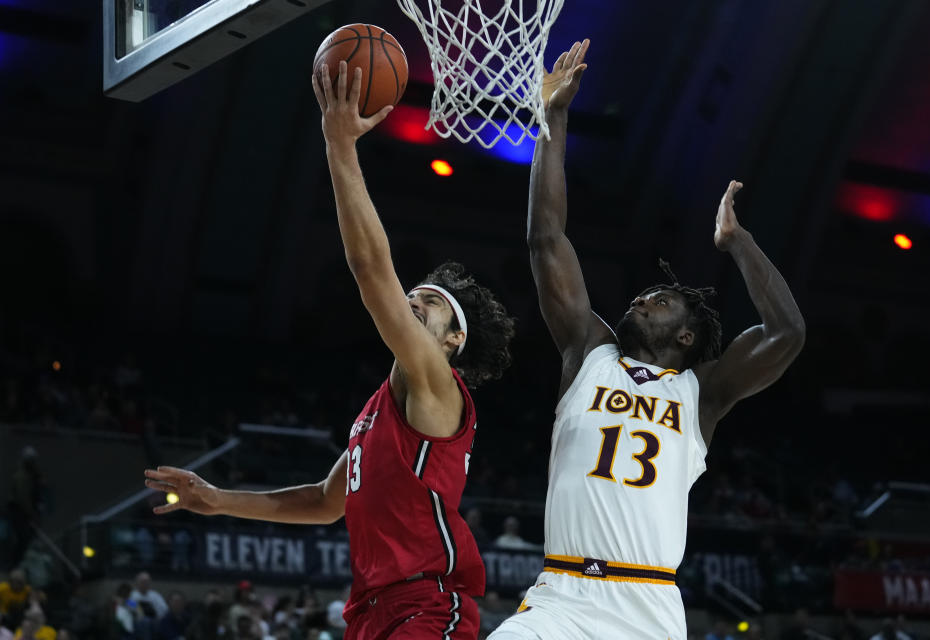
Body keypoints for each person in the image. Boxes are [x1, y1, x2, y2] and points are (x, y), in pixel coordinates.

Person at [145, 60, 515, 640]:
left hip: (426, 602)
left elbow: (371, 269)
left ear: (453, 341)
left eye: (431, 303)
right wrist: (219, 500)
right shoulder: (376, 412)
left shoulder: (438, 383)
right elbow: (323, 500)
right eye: (412, 294)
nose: (412, 301)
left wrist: (339, 144)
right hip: (371, 610)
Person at [489, 40, 805, 640]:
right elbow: (546, 240)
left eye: (659, 301)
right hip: (561, 597)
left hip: (647, 607)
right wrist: (553, 117)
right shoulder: (589, 351)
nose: (639, 300)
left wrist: (738, 243)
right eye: (640, 296)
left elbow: (787, 333)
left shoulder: (700, 393)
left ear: (687, 334)